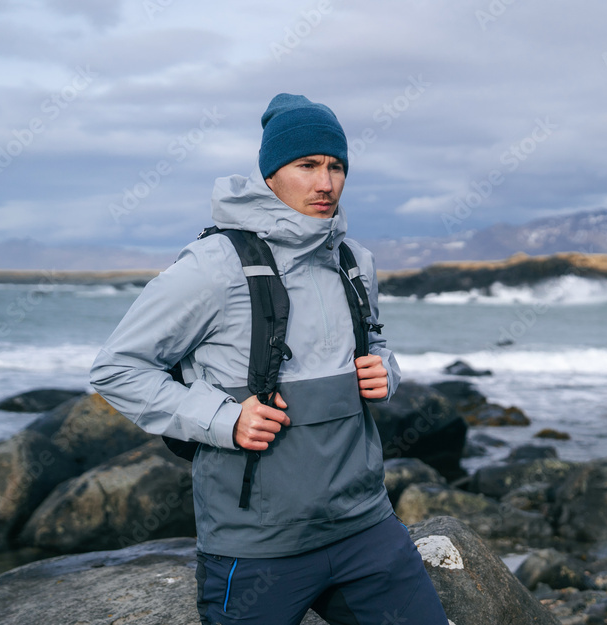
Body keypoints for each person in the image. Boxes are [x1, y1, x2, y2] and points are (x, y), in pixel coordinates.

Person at [90, 94, 448, 625]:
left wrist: (385, 371)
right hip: (256, 545)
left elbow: (376, 345)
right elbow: (117, 368)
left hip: (365, 527)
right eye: (307, 166)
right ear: (271, 175)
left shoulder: (355, 262)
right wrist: (224, 419)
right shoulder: (214, 266)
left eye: (336, 166)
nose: (325, 183)